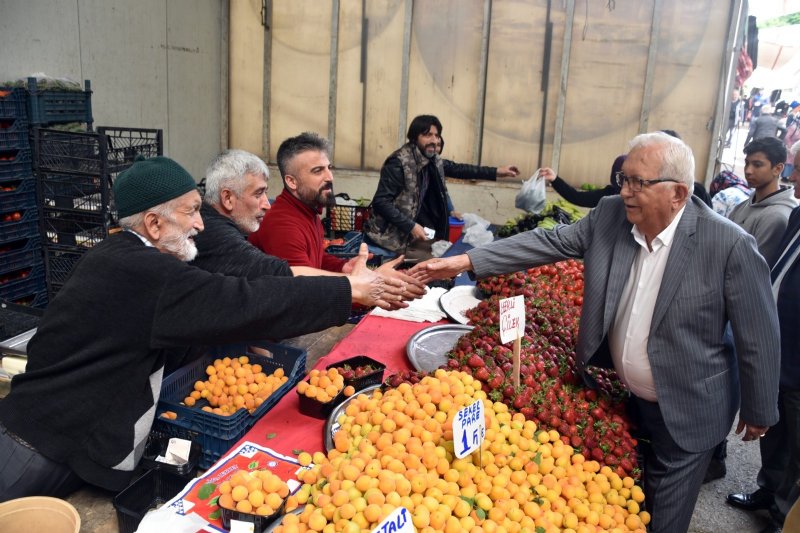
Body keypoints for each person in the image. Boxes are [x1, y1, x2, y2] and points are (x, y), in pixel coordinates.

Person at [412, 132, 781, 533]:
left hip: (692, 402)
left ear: (677, 193)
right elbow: (548, 241)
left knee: (663, 517)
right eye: (624, 179)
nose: (625, 191)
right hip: (627, 393)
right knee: (631, 499)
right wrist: (466, 259)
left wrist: (760, 408)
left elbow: (758, 334)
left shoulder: (728, 245)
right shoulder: (609, 215)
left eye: (639, 182)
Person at [0, 156, 407, 502]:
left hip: (55, 432)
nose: (200, 224)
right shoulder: (146, 273)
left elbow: (203, 312)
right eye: (191, 211)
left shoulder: (120, 255)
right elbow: (243, 301)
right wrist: (347, 291)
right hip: (36, 448)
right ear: (155, 224)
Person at [192, 148, 423, 300]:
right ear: (228, 198)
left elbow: (313, 259)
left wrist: (344, 268)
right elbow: (286, 278)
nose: (266, 204)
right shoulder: (221, 232)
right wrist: (356, 285)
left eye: (329, 169)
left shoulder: (311, 214)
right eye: (317, 171)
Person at [727, 151, 800, 533]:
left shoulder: (779, 213)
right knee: (776, 431)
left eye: (798, 169)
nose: (793, 175)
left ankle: (785, 517)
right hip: (780, 345)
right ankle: (768, 491)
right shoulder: (798, 215)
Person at [362, 114, 520, 260]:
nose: (434, 140)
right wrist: (410, 226)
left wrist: (498, 171)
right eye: (427, 135)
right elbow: (381, 202)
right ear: (414, 137)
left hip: (404, 240)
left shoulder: (432, 160)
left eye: (436, 135)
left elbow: (460, 169)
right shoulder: (398, 163)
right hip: (383, 241)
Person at [728, 137, 796, 267]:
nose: (748, 171)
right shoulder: (743, 206)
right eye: (747, 163)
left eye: (757, 165)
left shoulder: (776, 216)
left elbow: (752, 269)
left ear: (777, 169)